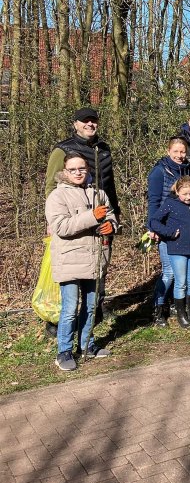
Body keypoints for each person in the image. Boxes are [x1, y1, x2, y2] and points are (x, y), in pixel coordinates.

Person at [43, 106, 120, 336]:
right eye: (84, 121)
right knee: (70, 272)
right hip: (73, 219)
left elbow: (110, 184)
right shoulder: (62, 149)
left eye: (93, 121)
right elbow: (50, 186)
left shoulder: (104, 150)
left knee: (99, 265)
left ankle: (95, 310)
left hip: (101, 216)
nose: (90, 124)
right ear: (75, 124)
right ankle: (58, 321)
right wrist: (51, 219)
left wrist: (115, 215)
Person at [45, 152, 117, 371]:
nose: (78, 173)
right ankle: (64, 351)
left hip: (94, 259)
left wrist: (111, 226)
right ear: (65, 172)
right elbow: (61, 227)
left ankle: (87, 345)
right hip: (70, 260)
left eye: (82, 169)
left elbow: (111, 216)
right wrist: (92, 217)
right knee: (69, 309)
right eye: (73, 169)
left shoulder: (99, 194)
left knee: (91, 306)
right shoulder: (57, 197)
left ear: (88, 170)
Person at [146, 137, 190, 327]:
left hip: (188, 227)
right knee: (169, 273)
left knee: (181, 275)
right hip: (166, 228)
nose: (180, 155)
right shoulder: (159, 172)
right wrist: (153, 228)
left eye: (183, 152)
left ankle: (178, 307)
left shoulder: (189, 169)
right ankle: (158, 309)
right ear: (168, 151)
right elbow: (154, 201)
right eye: (176, 151)